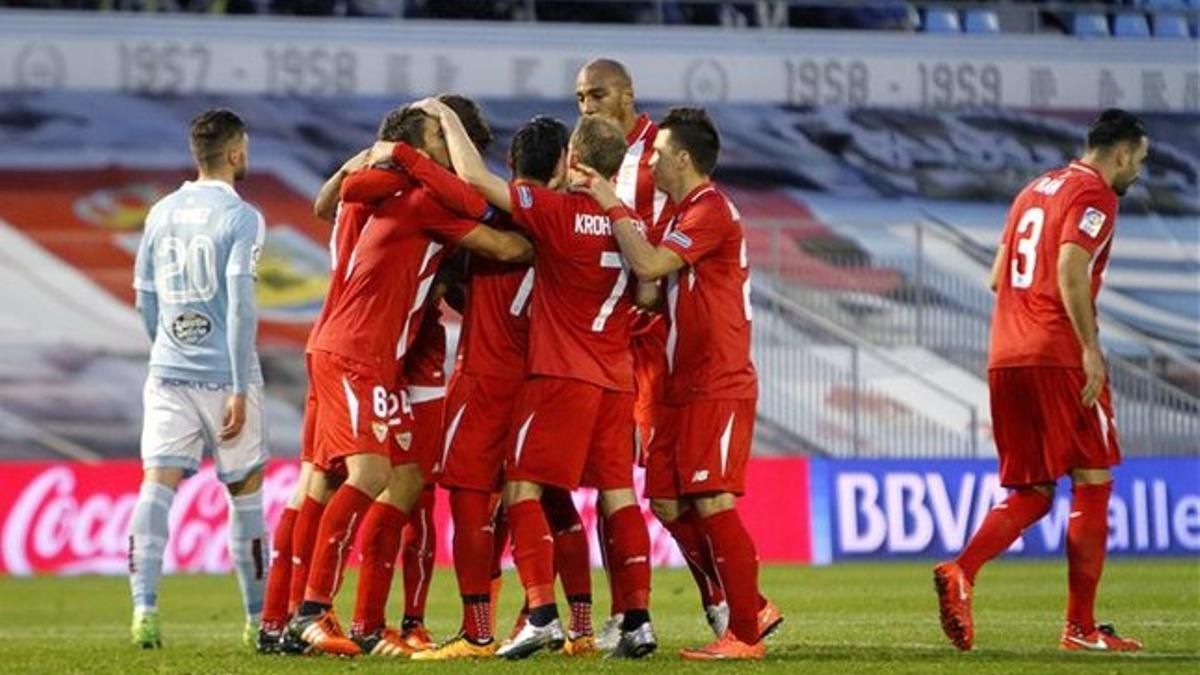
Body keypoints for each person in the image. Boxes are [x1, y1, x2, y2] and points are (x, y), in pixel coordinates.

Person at [376, 101, 660, 659]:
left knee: (474, 495)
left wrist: (438, 123)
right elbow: (649, 289)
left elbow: (468, 193)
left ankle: (483, 627)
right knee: (572, 501)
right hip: (585, 377)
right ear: (562, 161)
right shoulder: (626, 222)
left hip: (504, 376)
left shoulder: (520, 211)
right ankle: (589, 623)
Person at [285, 103, 532, 657]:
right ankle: (310, 611)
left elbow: (332, 197)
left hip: (372, 356)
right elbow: (496, 233)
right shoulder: (419, 196)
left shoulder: (384, 189)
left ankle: (367, 624)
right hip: (355, 352)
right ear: (418, 150)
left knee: (402, 479)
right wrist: (549, 242)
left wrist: (393, 155)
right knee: (361, 476)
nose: (449, 150)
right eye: (440, 140)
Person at [934, 108, 1149, 653]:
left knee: (1031, 490)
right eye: (1139, 160)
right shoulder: (1095, 194)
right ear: (1120, 153)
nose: (1138, 172)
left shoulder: (1033, 190)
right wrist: (1089, 347)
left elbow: (994, 276)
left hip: (1007, 353)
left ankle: (963, 569)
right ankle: (1079, 627)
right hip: (1058, 355)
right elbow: (1071, 266)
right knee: (1093, 479)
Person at [573, 106, 782, 660]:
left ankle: (745, 630)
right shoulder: (681, 215)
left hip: (718, 379)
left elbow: (649, 269)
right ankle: (749, 605)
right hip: (677, 383)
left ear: (683, 158)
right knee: (666, 502)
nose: (653, 161)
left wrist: (609, 203)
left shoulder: (711, 209)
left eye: (659, 153)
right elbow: (648, 289)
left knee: (712, 499)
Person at [575, 57, 730, 646]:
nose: (587, 106)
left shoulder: (659, 154)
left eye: (597, 94)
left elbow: (677, 237)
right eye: (580, 97)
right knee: (611, 486)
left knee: (665, 496)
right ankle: (625, 613)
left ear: (627, 95)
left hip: (650, 345)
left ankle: (720, 598)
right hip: (594, 340)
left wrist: (649, 295)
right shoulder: (581, 154)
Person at [129, 108, 268, 649]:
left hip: (168, 373)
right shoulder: (243, 217)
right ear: (235, 153)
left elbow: (145, 296)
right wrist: (236, 384)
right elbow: (240, 306)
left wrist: (165, 347)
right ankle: (258, 621)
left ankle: (145, 609)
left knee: (155, 488)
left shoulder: (160, 212)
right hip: (225, 377)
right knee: (246, 497)